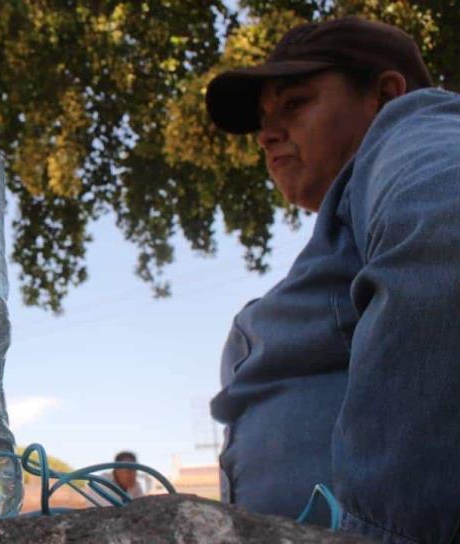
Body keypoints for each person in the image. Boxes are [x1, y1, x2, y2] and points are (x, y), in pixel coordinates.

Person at [205, 16, 459, 543]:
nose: (267, 135)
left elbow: (447, 225)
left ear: (385, 94)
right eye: (263, 120)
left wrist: (384, 533)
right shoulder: (352, 227)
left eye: (295, 104)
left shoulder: (413, 125)